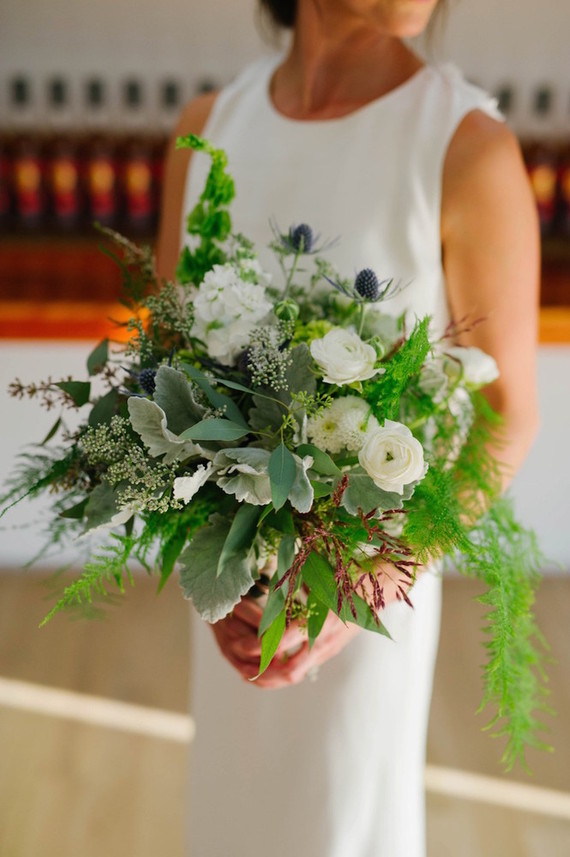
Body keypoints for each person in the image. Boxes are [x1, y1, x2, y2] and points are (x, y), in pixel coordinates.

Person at [157, 1, 539, 854]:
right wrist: (203, 560)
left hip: (367, 602)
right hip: (231, 597)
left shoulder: (469, 149)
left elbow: (508, 417)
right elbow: (169, 377)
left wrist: (365, 583)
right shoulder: (206, 131)